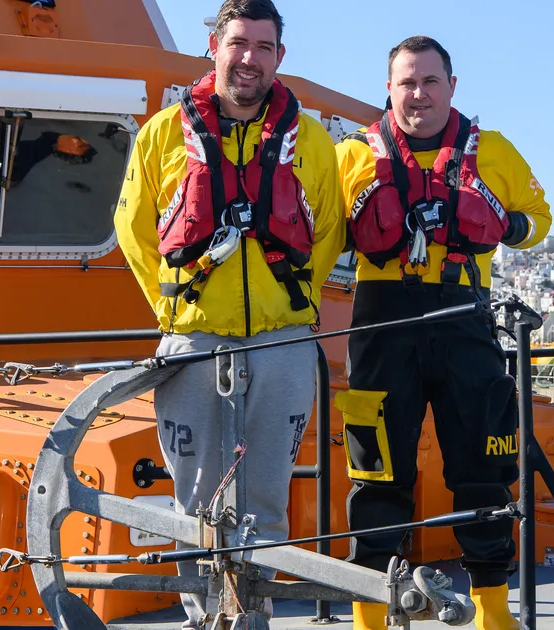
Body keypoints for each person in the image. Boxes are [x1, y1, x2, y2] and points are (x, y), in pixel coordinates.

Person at [114, 1, 345, 626]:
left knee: (266, 500)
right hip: (192, 344)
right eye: (239, 43)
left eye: (263, 46)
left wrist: (293, 304)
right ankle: (203, 618)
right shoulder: (162, 134)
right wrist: (171, 306)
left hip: (283, 345)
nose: (249, 59)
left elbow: (327, 230)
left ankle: (251, 619)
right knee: (195, 501)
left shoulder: (314, 143)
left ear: (280, 56)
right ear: (214, 46)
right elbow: (132, 228)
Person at [334, 36, 551, 630]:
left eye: (431, 81)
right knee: (376, 474)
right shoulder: (352, 156)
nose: (419, 93)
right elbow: (322, 231)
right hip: (381, 323)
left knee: (484, 468)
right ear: (389, 88)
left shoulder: (496, 151)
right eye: (407, 82)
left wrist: (505, 223)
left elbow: (540, 221)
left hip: (465, 319)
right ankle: (368, 615)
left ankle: (493, 611)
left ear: (452, 87)